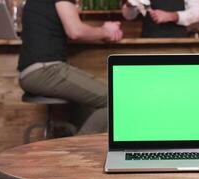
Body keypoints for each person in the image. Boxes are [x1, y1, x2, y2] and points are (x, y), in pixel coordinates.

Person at [18, 0, 123, 134]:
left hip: (35, 71)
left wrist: (101, 32)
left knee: (86, 108)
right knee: (115, 101)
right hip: (46, 69)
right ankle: (79, 151)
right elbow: (75, 31)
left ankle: (76, 146)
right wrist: (105, 31)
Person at [122, 0, 199, 38]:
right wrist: (130, 5)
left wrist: (171, 16)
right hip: (148, 41)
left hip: (177, 42)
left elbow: (198, 12)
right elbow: (128, 16)